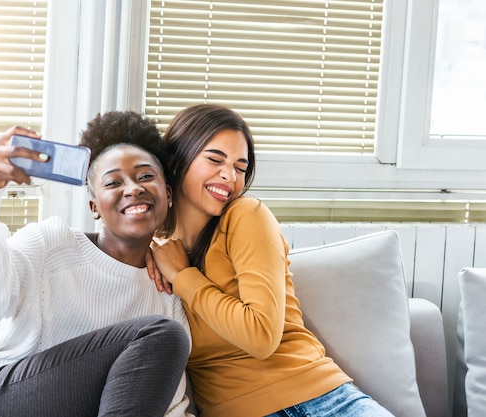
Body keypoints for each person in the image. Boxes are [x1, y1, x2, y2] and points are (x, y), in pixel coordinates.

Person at [0, 111, 194, 417]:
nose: (133, 188)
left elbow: (168, 406)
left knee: (167, 335)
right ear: (94, 206)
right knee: (164, 334)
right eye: (113, 182)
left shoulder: (165, 294)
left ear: (169, 195)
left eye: (146, 176)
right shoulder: (52, 244)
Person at [150, 103, 395, 417]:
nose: (229, 176)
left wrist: (183, 276)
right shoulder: (157, 252)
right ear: (175, 160)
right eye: (215, 159)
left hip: (319, 403)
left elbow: (261, 337)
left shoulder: (245, 217)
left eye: (240, 167)